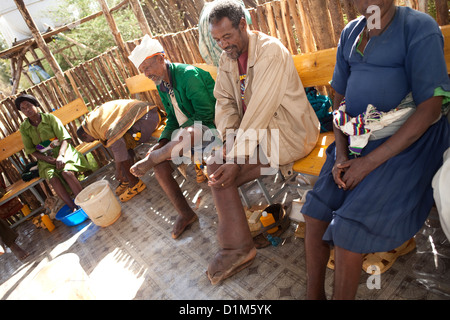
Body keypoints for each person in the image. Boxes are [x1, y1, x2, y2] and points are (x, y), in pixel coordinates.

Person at [301, 0, 450, 300]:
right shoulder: (350, 33)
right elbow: (338, 101)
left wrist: (368, 163)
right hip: (354, 140)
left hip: (408, 144)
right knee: (315, 213)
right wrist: (340, 153)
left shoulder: (418, 29)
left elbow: (431, 108)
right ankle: (313, 295)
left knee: (347, 229)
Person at [205, 0, 320, 285]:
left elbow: (259, 110)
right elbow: (224, 100)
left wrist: (235, 157)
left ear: (244, 25)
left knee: (222, 169)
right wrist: (231, 137)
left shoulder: (270, 52)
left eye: (227, 36)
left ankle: (238, 245)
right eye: (217, 39)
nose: (223, 45)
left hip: (290, 134)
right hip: (258, 136)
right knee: (216, 165)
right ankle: (238, 244)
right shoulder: (227, 58)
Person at [127, 35, 217, 239]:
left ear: (161, 58)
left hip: (213, 127)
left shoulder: (188, 76)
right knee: (159, 163)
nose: (147, 74)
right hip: (187, 133)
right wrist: (161, 143)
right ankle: (185, 214)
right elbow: (172, 120)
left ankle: (156, 156)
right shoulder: (162, 84)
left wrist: (174, 141)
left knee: (189, 133)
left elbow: (206, 115)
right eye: (143, 71)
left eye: (148, 67)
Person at [16, 94, 90, 212]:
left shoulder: (50, 119)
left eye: (29, 106)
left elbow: (64, 138)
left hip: (63, 150)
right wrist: (47, 159)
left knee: (67, 173)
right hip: (44, 158)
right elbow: (31, 150)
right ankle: (74, 208)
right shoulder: (24, 128)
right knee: (53, 179)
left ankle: (85, 203)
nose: (27, 110)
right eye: (23, 109)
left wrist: (61, 155)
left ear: (35, 105)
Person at [76, 99, 161, 202]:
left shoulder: (98, 126)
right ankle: (127, 177)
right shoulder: (92, 122)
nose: (94, 140)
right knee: (116, 141)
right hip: (146, 115)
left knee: (118, 143)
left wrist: (118, 171)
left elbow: (118, 146)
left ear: (85, 134)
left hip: (148, 119)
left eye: (90, 140)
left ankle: (134, 183)